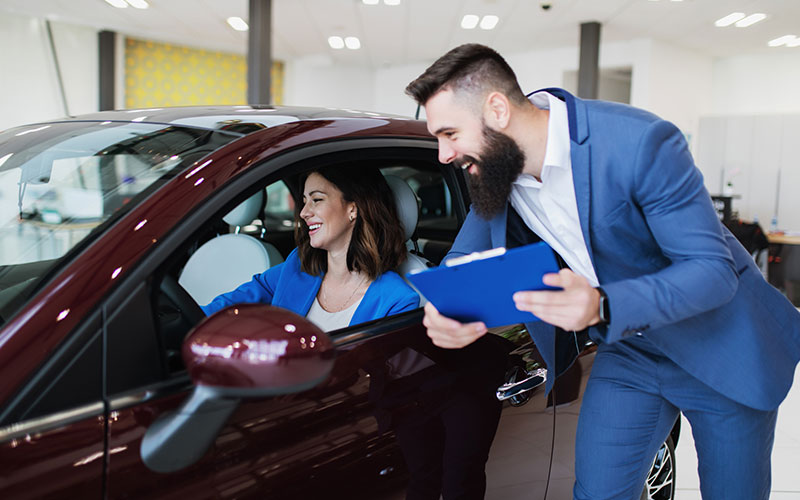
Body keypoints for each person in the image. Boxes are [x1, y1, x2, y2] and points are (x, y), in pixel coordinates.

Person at [405, 43, 800, 499]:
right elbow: (461, 264)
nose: (442, 153)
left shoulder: (640, 142)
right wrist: (448, 310)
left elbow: (712, 271)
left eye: (449, 133)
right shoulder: (498, 171)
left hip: (722, 343)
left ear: (497, 110)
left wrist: (600, 303)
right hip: (631, 351)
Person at [202, 165, 419, 331]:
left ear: (353, 209)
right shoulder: (298, 265)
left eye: (316, 199)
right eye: (304, 201)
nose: (304, 212)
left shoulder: (398, 300)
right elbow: (229, 306)